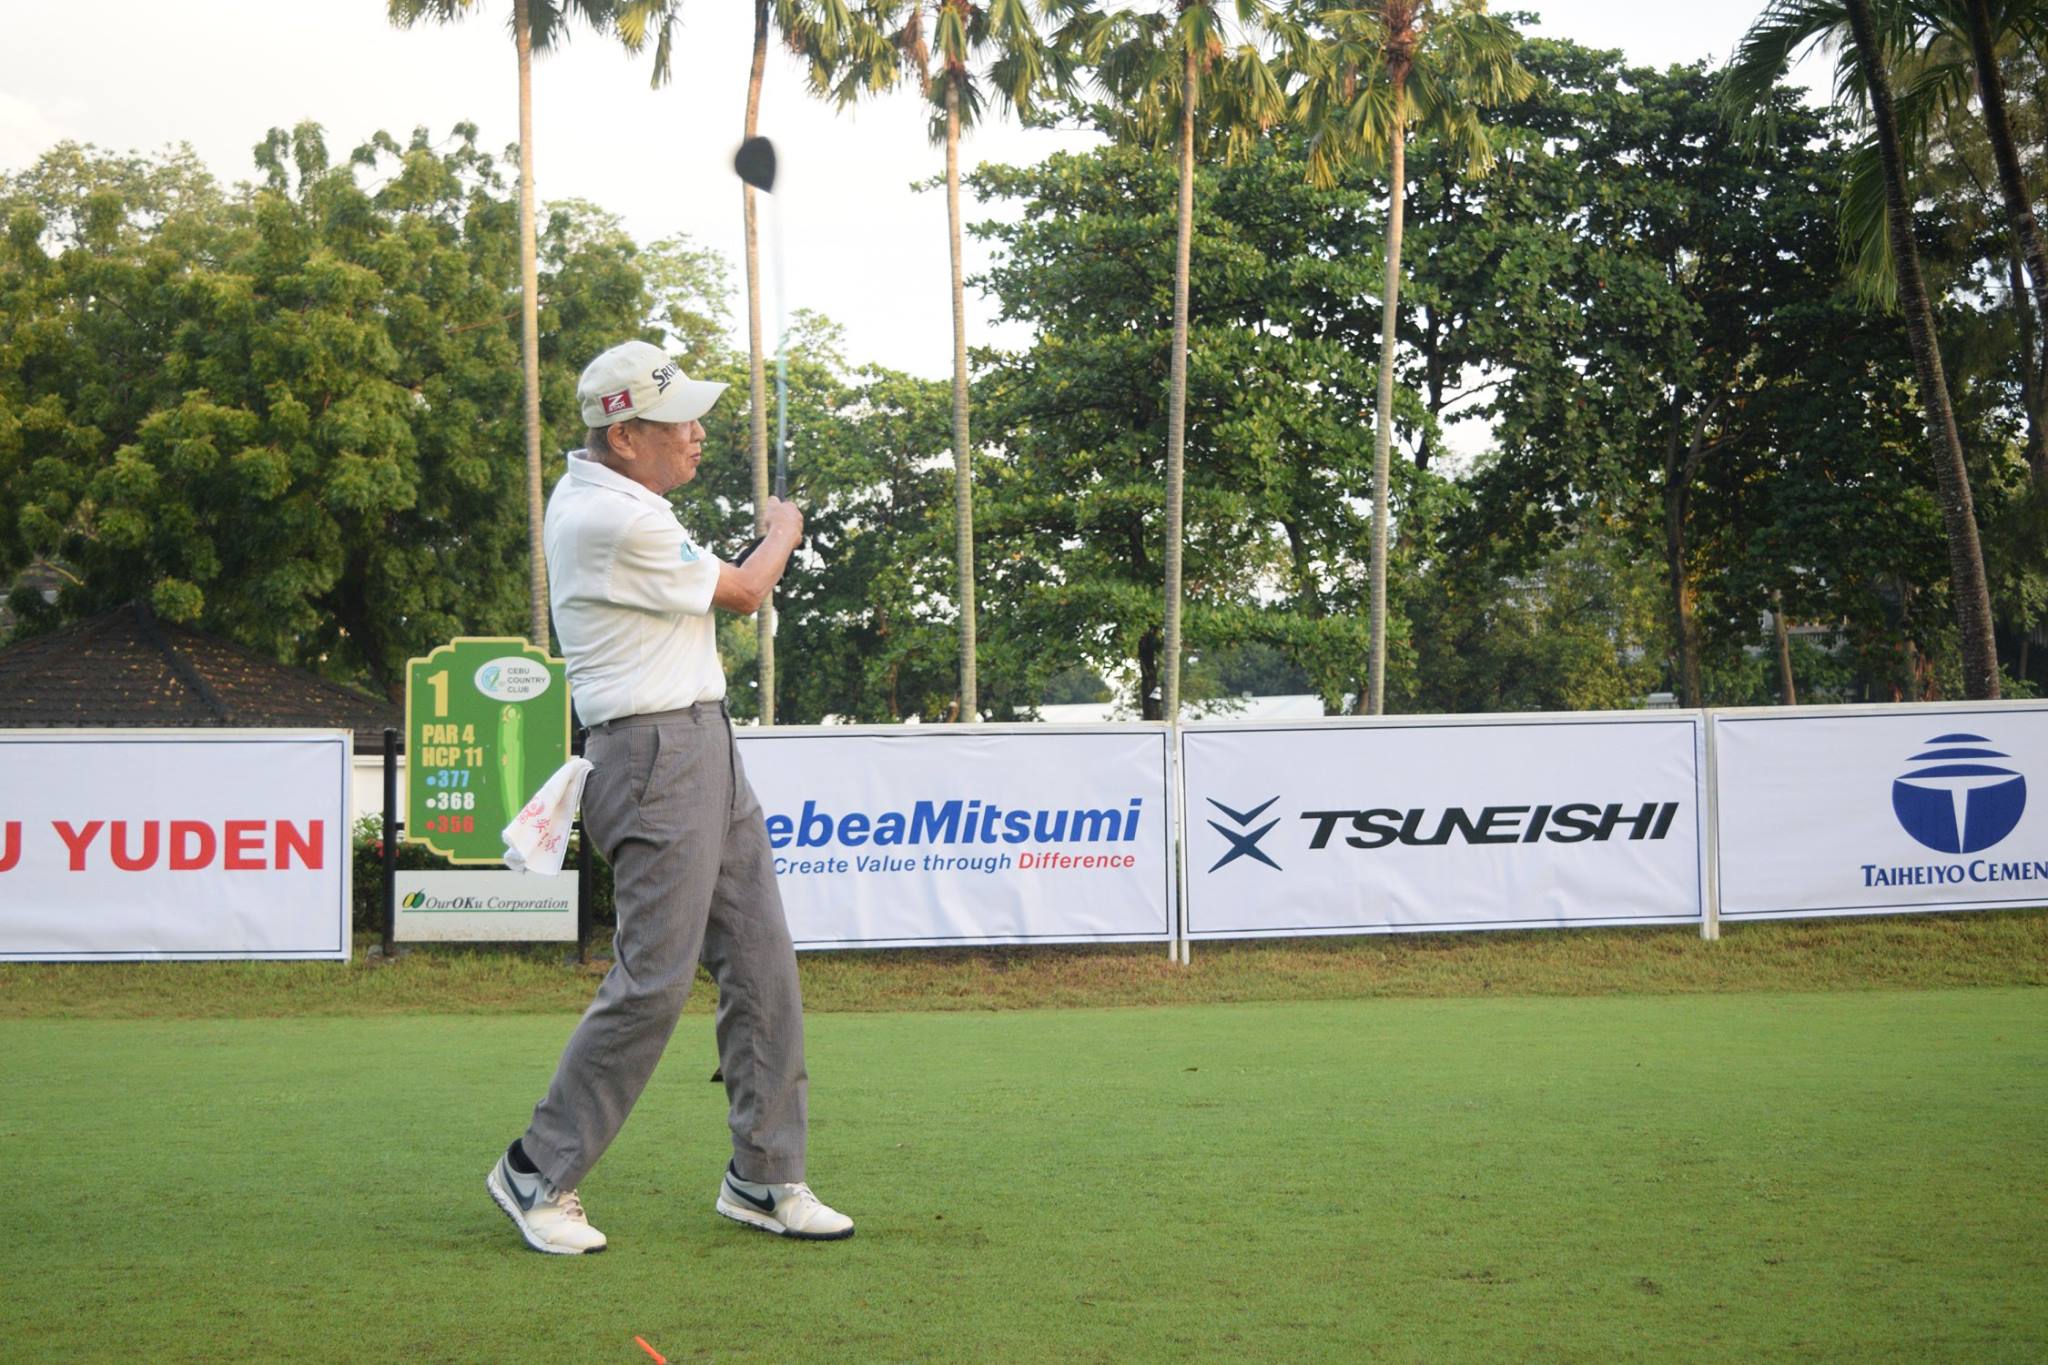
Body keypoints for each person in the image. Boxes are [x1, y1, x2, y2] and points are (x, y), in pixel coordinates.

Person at [485, 339, 852, 1253]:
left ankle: (763, 1175)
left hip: (702, 744)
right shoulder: (611, 517)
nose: (696, 433)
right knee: (653, 980)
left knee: (762, 964)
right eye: (677, 420)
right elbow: (744, 591)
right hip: (653, 757)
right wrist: (784, 529)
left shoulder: (625, 501)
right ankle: (536, 1170)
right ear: (623, 436)